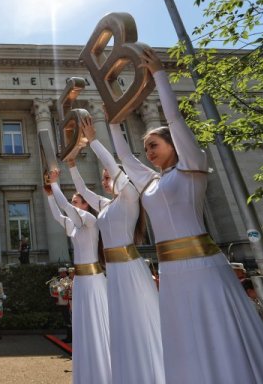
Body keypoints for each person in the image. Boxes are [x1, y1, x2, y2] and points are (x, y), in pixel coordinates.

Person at [110, 48, 263, 383]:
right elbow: (122, 156)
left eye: (155, 145)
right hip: (171, 269)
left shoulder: (191, 167)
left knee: (216, 329)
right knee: (183, 337)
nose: (149, 152)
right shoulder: (151, 182)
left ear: (174, 146)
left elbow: (177, 121)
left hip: (202, 263)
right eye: (147, 147)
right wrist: (111, 124)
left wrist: (160, 77)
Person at [70, 116, 165, 383]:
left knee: (138, 323)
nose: (104, 179)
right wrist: (72, 164)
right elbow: (81, 191)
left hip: (130, 267)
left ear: (121, 177)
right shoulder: (106, 205)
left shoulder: (130, 196)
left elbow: (114, 166)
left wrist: (95, 141)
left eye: (108, 176)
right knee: (121, 327)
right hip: (114, 271)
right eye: (102, 178)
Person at [45, 172, 111, 384]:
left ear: (85, 205)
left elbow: (64, 206)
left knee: (98, 322)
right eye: (73, 202)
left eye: (77, 202)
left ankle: (105, 368)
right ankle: (90, 367)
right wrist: (48, 195)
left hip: (94, 278)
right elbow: (58, 215)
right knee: (82, 323)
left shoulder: (91, 221)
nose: (73, 205)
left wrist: (54, 185)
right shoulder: (74, 228)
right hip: (81, 280)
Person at [55, 267, 72, 342]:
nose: (61, 274)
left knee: (69, 320)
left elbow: (66, 291)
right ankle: (68, 336)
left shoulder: (69, 280)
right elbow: (57, 291)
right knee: (66, 321)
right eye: (60, 273)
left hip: (67, 303)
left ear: (66, 273)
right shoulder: (60, 281)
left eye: (63, 273)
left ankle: (70, 337)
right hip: (61, 302)